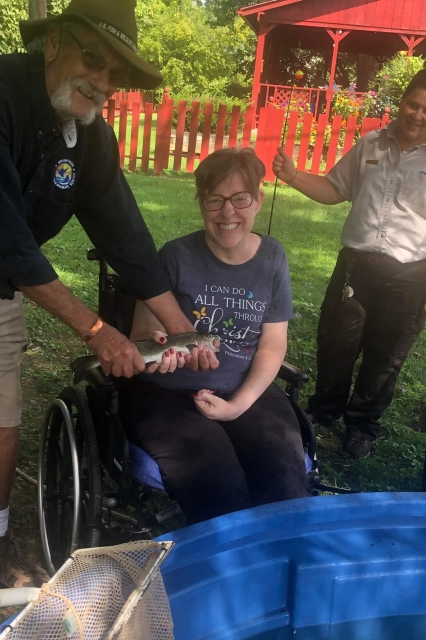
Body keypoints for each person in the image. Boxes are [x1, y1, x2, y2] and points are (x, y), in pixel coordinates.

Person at [0, 0, 217, 587]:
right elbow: (8, 242)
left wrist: (182, 332)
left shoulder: (89, 137)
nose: (101, 83)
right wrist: (98, 331)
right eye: (92, 59)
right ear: (52, 44)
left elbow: (127, 237)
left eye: (113, 73)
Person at [118, 148, 311, 525]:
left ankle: (281, 566)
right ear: (201, 203)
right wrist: (159, 344)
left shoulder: (273, 258)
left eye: (241, 198)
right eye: (215, 200)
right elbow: (143, 333)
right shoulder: (174, 257)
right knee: (217, 486)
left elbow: (272, 345)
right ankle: (226, 572)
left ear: (259, 200)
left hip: (246, 388)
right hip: (168, 394)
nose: (228, 212)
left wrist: (239, 405)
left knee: (285, 484)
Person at [273, 69, 426, 459]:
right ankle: (324, 411)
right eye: (414, 104)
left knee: (386, 354)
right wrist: (292, 176)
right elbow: (336, 189)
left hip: (411, 274)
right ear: (403, 100)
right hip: (356, 265)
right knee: (336, 342)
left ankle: (362, 425)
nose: (418, 114)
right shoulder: (370, 144)